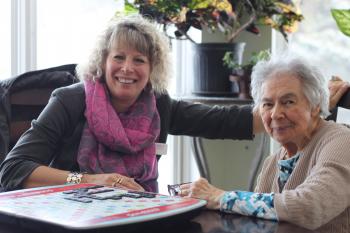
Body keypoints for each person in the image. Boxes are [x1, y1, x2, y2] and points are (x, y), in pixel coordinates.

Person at [0, 14, 261, 192]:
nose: (127, 68)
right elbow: (14, 169)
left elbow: (222, 121)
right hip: (71, 219)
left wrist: (282, 112)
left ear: (152, 68)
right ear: (103, 62)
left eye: (139, 60)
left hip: (138, 217)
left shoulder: (158, 104)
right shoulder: (70, 100)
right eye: (119, 57)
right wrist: (91, 180)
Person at [179, 53, 350, 232]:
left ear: (315, 106)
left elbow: (310, 207)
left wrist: (220, 197)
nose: (275, 114)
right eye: (267, 104)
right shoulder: (272, 162)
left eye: (288, 102)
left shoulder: (341, 141)